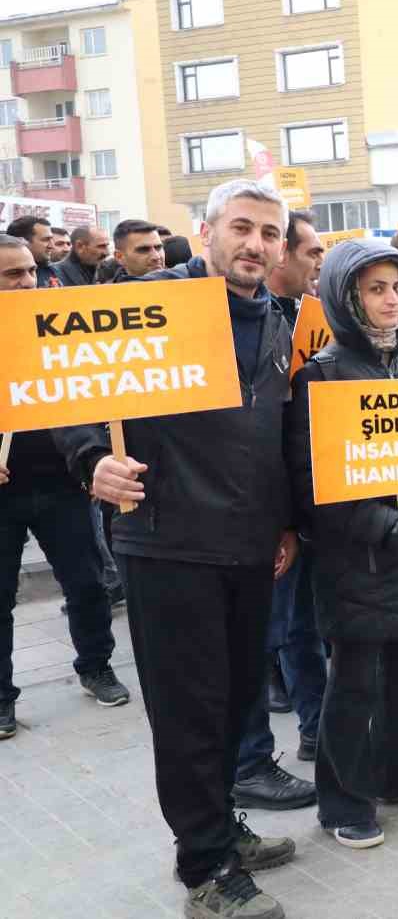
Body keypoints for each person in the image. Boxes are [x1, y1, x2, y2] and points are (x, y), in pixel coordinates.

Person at [55, 179, 299, 918]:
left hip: (251, 540)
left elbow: (273, 431)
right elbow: (69, 388)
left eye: (268, 233)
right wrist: (89, 456)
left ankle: (220, 824)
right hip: (167, 540)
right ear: (205, 230)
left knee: (234, 702)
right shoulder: (153, 299)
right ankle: (206, 868)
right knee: (189, 712)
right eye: (241, 227)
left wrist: (285, 520)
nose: (255, 244)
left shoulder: (279, 315)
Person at [284, 239, 398, 850]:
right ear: (345, 297)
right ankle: (341, 798)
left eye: (396, 288)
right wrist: (378, 527)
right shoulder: (323, 375)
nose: (391, 301)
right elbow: (312, 479)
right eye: (375, 289)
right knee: (355, 680)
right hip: (360, 558)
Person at [0, 235, 128, 745]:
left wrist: (95, 458)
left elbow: (87, 396)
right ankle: (2, 699)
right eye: (12, 275)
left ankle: (95, 665)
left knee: (88, 584)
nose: (28, 282)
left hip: (63, 485)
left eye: (31, 271)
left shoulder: (56, 332)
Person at [232, 210, 326, 805]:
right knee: (287, 626)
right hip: (259, 503)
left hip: (307, 494)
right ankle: (265, 755)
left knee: (308, 623)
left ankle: (317, 726)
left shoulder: (306, 316)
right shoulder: (245, 321)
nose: (318, 260)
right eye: (310, 251)